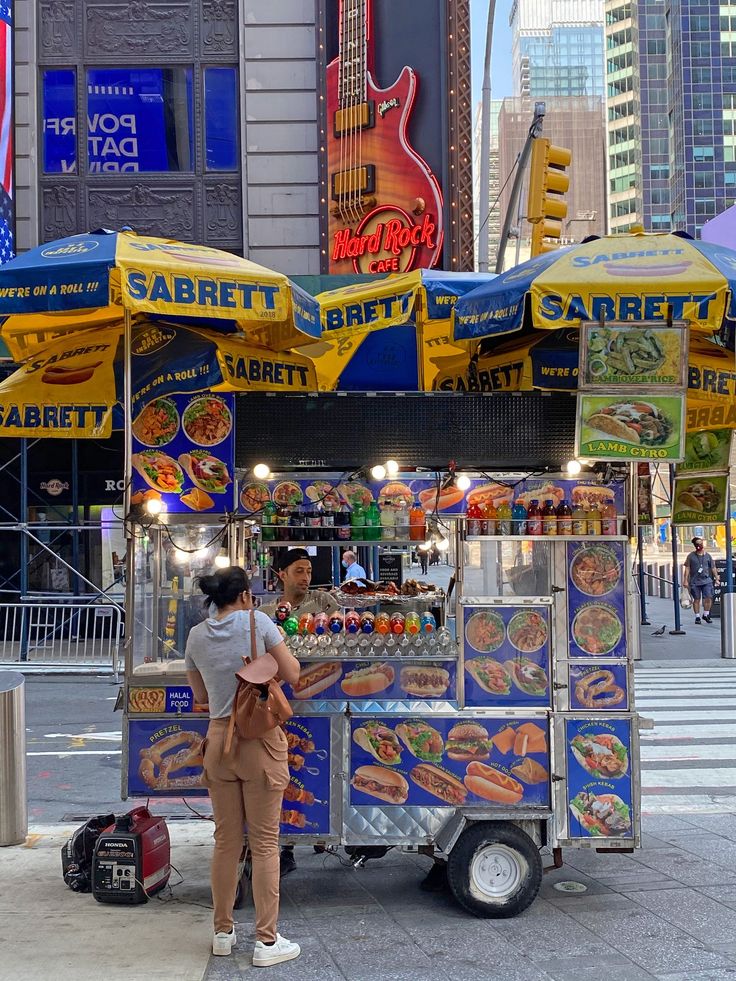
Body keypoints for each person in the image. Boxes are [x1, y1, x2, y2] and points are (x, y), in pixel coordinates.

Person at [185, 566, 302, 966]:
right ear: (246, 596)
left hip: (218, 740)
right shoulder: (259, 622)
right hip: (257, 741)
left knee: (226, 842)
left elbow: (199, 693)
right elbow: (292, 673)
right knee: (266, 843)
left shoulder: (196, 635)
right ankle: (267, 943)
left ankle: (222, 932)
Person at [260, 548, 338, 876]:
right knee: (286, 772)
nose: (306, 578)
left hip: (320, 692)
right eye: (299, 571)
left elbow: (342, 632)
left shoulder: (324, 603)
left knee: (318, 763)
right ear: (282, 574)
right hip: (281, 702)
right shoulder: (266, 611)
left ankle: (323, 833)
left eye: (308, 571)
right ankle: (285, 846)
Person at [682, 536, 720, 625]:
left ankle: (706, 614)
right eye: (698, 544)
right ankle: (697, 617)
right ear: (695, 545)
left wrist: (716, 578)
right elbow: (687, 568)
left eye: (701, 543)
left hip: (707, 581)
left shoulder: (708, 556)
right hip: (695, 581)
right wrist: (685, 580)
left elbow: (713, 567)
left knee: (708, 597)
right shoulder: (691, 556)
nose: (700, 545)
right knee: (697, 599)